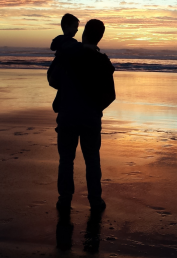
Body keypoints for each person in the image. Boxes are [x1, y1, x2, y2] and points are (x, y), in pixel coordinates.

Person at [47, 19, 116, 213]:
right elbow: (110, 95)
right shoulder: (102, 61)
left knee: (66, 159)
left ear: (84, 33)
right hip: (90, 118)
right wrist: (95, 108)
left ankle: (64, 200)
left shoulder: (68, 55)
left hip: (68, 115)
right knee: (92, 159)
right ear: (100, 37)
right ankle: (95, 200)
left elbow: (52, 80)